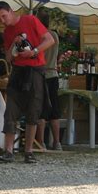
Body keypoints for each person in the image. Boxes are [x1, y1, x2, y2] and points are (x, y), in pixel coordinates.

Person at [0, 1, 55, 163]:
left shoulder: (30, 20)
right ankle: (8, 151)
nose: (3, 21)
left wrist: (34, 51)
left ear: (11, 11)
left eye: (4, 16)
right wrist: (14, 42)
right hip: (18, 72)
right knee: (11, 109)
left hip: (35, 70)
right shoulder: (7, 32)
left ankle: (28, 151)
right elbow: (7, 58)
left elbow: (49, 40)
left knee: (33, 110)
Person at [36, 10, 62, 151]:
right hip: (53, 74)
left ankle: (41, 142)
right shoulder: (54, 35)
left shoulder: (39, 36)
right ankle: (57, 142)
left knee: (40, 110)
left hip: (40, 74)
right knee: (54, 110)